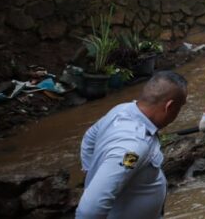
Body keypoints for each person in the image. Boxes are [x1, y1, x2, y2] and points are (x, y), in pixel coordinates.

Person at [77, 71, 189, 218]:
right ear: (169, 106)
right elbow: (88, 211)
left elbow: (89, 137)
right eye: (179, 108)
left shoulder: (121, 111)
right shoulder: (132, 149)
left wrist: (92, 173)